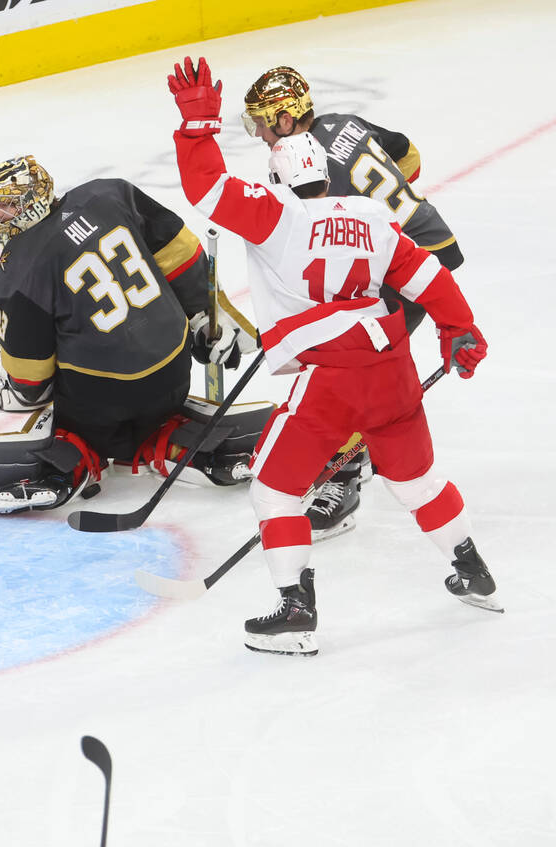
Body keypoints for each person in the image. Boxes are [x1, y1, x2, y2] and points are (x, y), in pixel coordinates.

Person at [166, 56, 498, 655]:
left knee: (273, 489)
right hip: (388, 362)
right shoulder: (372, 218)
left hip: (325, 375)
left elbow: (207, 189)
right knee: (417, 479)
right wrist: (459, 329)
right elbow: (426, 274)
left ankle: (296, 610)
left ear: (279, 171)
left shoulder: (276, 215)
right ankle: (472, 569)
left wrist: (198, 129)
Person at [0, 154, 271, 515]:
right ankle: (172, 442)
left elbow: (32, 378)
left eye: (8, 204)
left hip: (99, 397)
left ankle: (74, 458)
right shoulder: (109, 194)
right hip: (172, 368)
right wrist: (205, 316)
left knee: (69, 415)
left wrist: (11, 391)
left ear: (32, 202)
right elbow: (181, 251)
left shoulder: (19, 267)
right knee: (155, 409)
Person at [240, 65, 468, 534]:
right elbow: (408, 155)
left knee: (351, 369)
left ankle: (342, 480)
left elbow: (319, 251)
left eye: (261, 120)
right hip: (429, 246)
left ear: (285, 119)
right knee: (356, 367)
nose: (258, 131)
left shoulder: (304, 171)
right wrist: (395, 206)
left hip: (408, 269)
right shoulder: (345, 123)